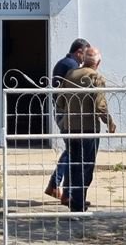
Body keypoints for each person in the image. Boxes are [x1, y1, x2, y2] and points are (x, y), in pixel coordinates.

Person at [56, 47, 117, 212]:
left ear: (83, 60)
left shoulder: (71, 74)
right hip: (88, 129)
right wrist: (109, 123)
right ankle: (78, 204)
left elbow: (60, 101)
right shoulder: (95, 77)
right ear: (98, 62)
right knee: (86, 167)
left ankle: (74, 200)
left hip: (70, 127)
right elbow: (100, 106)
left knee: (74, 164)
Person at [44, 38, 91, 201]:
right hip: (66, 112)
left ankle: (60, 189)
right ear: (79, 52)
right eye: (86, 54)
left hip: (62, 111)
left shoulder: (64, 63)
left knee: (72, 150)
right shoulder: (71, 66)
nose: (86, 58)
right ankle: (60, 189)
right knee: (73, 150)